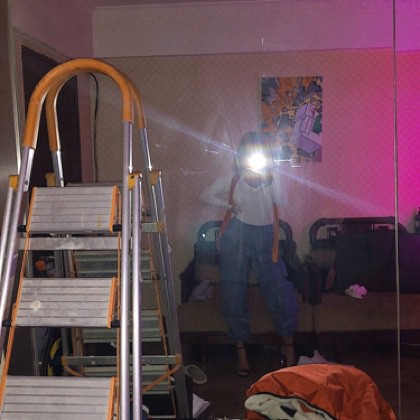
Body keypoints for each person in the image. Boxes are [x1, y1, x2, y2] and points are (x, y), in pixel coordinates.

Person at [199, 131, 299, 376]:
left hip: (265, 238)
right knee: (233, 294)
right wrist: (229, 206)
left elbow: (282, 200)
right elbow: (204, 195)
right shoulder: (233, 178)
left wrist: (272, 175)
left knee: (279, 291)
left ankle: (289, 347)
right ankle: (241, 353)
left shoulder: (271, 176)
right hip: (236, 236)